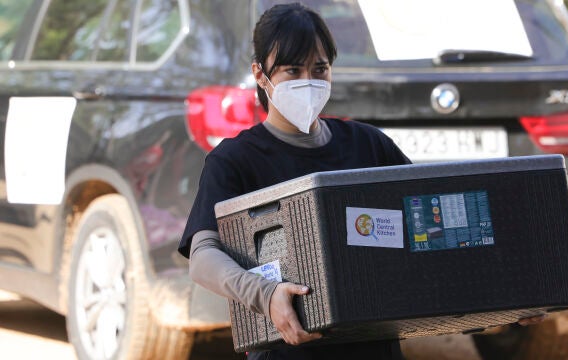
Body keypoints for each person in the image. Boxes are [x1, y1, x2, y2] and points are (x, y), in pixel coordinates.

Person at [178, 3, 543, 359]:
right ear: (260, 74)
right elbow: (204, 257)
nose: (308, 82)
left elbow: (435, 235)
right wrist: (266, 294)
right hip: (288, 351)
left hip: (375, 345)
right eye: (292, 71)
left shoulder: (369, 145)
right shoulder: (234, 160)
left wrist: (502, 299)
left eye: (319, 69)